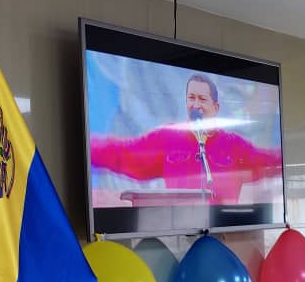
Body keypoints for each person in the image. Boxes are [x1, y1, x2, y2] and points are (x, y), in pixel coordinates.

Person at [89, 74, 283, 205]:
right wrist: (86, 149)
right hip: (177, 233)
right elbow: (123, 155)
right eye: (191, 98)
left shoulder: (234, 145)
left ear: (216, 107)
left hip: (223, 234)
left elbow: (267, 162)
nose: (195, 105)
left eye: (202, 99)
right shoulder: (168, 138)